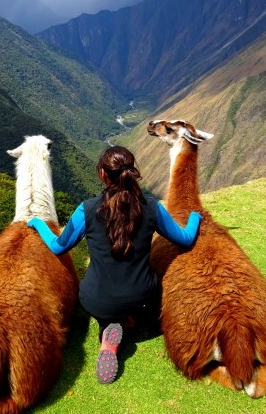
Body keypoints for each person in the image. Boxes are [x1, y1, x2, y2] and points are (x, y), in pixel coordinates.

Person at [27, 146, 201, 385]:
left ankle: (109, 330)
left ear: (102, 173)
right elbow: (185, 238)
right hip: (142, 298)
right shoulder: (151, 206)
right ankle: (130, 320)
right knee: (149, 299)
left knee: (109, 310)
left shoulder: (86, 210)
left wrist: (38, 223)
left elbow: (58, 247)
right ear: (132, 171)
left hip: (96, 300)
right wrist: (195, 217)